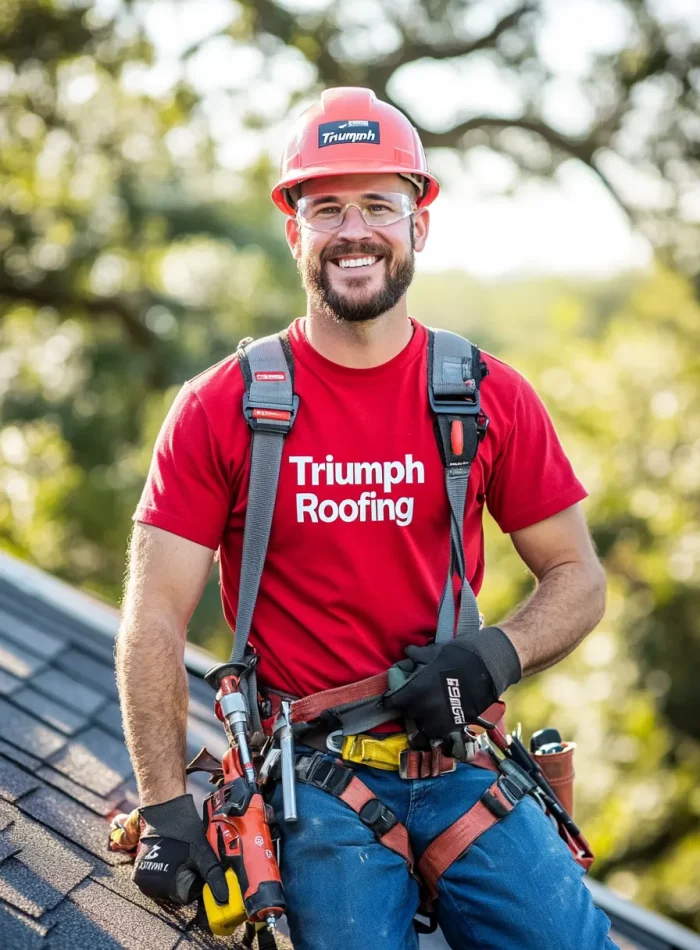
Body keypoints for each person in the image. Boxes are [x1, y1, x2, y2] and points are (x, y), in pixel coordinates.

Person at [117, 86, 617, 950]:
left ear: (419, 225)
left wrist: (492, 655)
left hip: (463, 768)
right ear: (295, 232)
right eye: (327, 207)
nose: (355, 231)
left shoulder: (484, 395)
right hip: (315, 784)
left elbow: (578, 578)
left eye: (379, 205)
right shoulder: (223, 407)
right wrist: (165, 807)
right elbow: (154, 616)